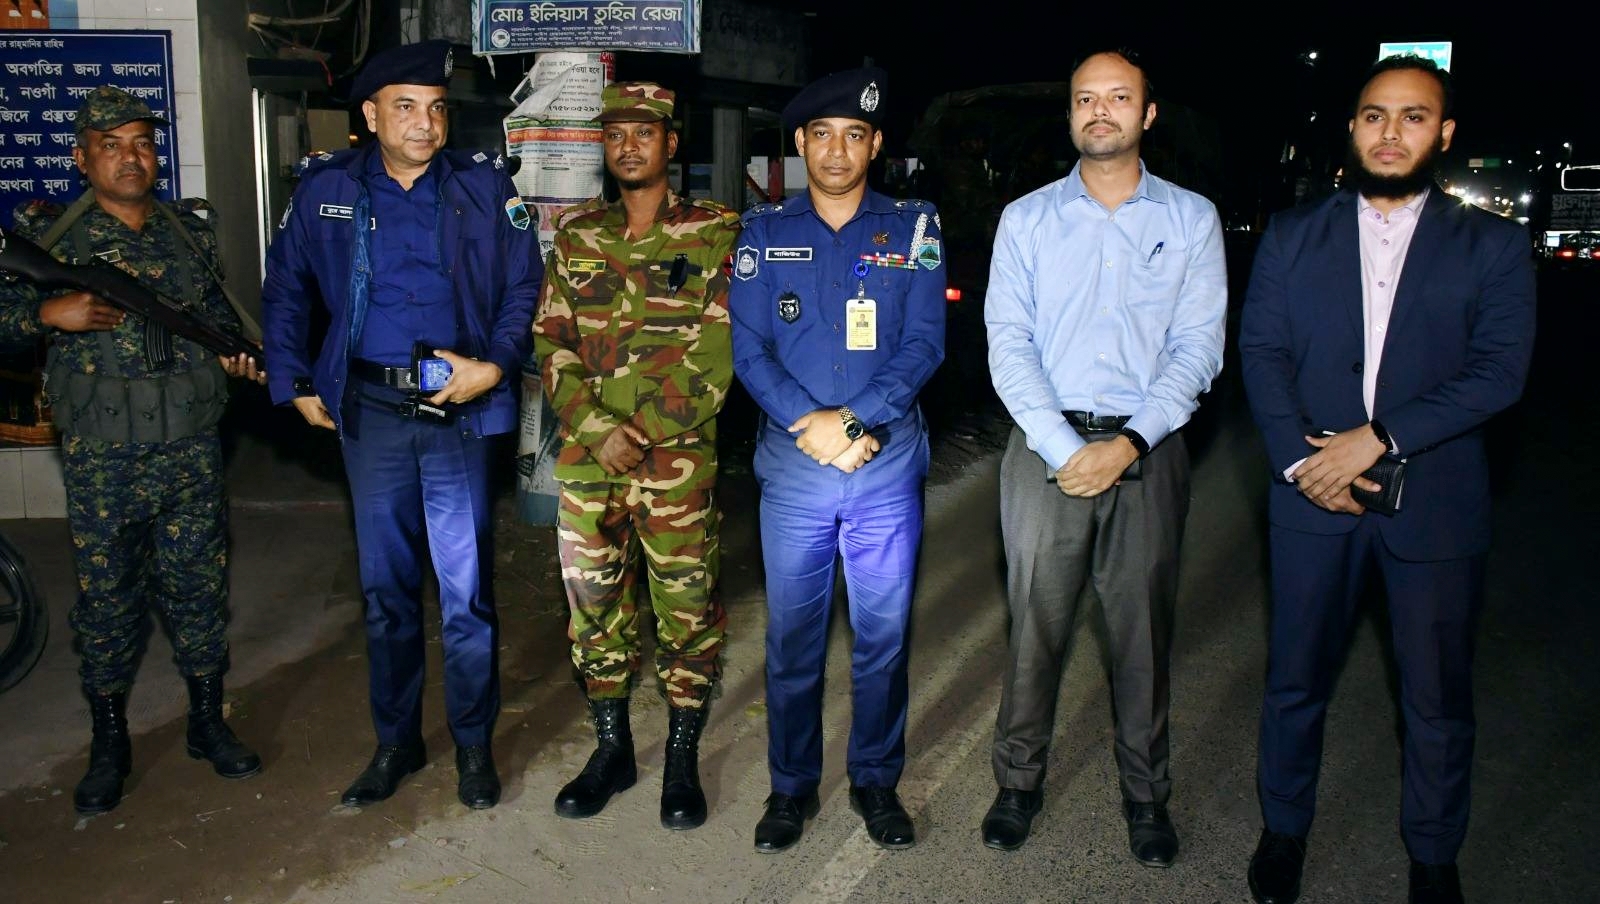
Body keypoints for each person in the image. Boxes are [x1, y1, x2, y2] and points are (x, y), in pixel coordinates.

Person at [1238, 56, 1535, 904]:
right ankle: (1283, 830)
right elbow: (1261, 352)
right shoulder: (1292, 234)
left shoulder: (1493, 245)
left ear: (1443, 134)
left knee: (1436, 698)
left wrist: (1376, 438)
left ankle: (1434, 854)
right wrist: (1304, 463)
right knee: (1295, 681)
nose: (1391, 132)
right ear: (1353, 128)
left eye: (1413, 117)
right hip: (1312, 500)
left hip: (1435, 505)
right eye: (1375, 115)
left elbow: (1499, 373)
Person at [260, 39, 541, 810]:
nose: (425, 123)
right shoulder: (327, 189)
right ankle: (396, 742)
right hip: (372, 414)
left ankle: (474, 744)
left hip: (456, 410)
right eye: (407, 107)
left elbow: (524, 283)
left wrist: (496, 365)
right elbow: (285, 287)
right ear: (371, 114)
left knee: (466, 592)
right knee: (385, 591)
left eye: (437, 108)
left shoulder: (484, 187)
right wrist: (292, 379)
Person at [979, 49, 1227, 865]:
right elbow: (1008, 343)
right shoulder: (1027, 219)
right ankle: (1017, 783)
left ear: (1147, 114)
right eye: (1086, 98)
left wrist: (1127, 445)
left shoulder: (1190, 219)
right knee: (1034, 627)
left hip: (1147, 449)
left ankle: (1146, 797)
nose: (1100, 110)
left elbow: (1198, 348)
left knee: (1141, 632)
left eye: (1119, 97)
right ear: (1070, 113)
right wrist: (1064, 447)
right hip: (1044, 447)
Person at [0, 86, 264, 814]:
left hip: (190, 448)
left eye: (142, 143)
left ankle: (207, 722)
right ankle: (109, 740)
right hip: (103, 458)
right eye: (110, 145)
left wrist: (236, 359)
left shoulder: (189, 232)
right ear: (81, 158)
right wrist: (47, 311)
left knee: (199, 590)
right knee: (108, 599)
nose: (130, 158)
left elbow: (210, 318)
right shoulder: (51, 237)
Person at [730, 67, 946, 854]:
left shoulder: (914, 228)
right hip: (796, 471)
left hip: (884, 467)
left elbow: (924, 344)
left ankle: (876, 779)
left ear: (876, 145)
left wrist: (853, 421)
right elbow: (748, 350)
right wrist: (813, 426)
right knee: (793, 642)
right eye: (821, 134)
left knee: (881, 639)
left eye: (854, 135)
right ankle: (791, 787)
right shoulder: (763, 231)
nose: (836, 150)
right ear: (799, 142)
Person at [533, 82, 740, 831]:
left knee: (686, 608)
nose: (628, 145)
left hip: (675, 466)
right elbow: (550, 340)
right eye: (616, 133)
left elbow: (718, 352)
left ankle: (681, 757)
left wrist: (640, 431)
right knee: (594, 608)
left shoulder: (715, 232)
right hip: (589, 465)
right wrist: (596, 429)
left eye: (644, 133)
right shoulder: (577, 236)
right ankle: (612, 749)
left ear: (670, 144)